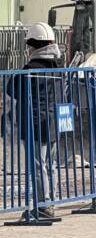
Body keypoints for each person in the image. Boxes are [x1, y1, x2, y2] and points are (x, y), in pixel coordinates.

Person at [9, 23, 63, 221]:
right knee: (51, 165)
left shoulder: (30, 68)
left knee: (38, 166)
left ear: (32, 45)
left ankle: (43, 206)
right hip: (52, 122)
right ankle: (50, 203)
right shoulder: (57, 67)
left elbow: (12, 89)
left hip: (34, 123)